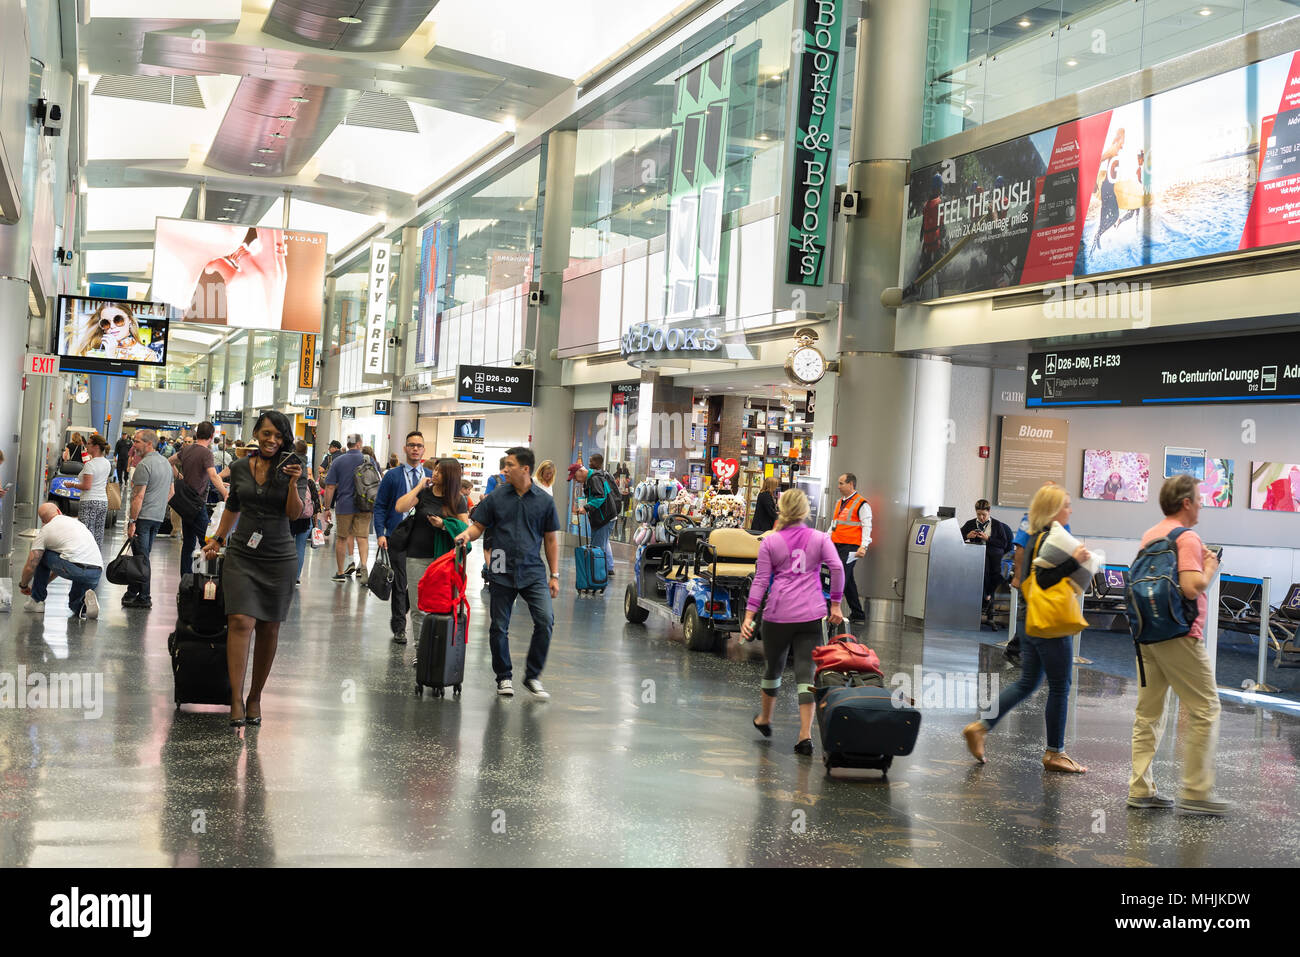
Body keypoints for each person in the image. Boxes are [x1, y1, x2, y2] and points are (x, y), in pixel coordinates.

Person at [962, 483, 1089, 774]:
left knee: (1028, 682)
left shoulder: (1031, 532)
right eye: (1067, 505)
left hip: (1031, 617)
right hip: (1051, 622)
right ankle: (1056, 752)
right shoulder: (1053, 537)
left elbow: (1025, 570)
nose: (1070, 510)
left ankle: (981, 727)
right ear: (1054, 510)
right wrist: (1076, 562)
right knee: (1060, 685)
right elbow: (1046, 578)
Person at [1128, 475, 1227, 815]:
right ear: (1186, 502)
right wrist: (1210, 565)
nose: (1201, 504)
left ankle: (1140, 788)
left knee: (1149, 713)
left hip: (1147, 636)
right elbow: (1190, 587)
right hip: (1179, 636)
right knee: (1205, 708)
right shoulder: (1187, 537)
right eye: (1199, 498)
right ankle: (1196, 793)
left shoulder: (1150, 535)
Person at [202, 411, 303, 728]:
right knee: (240, 620)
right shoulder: (241, 467)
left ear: (285, 440)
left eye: (278, 436)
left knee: (269, 627)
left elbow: (295, 514)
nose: (272, 440)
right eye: (266, 433)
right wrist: (218, 539)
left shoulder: (291, 469)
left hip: (279, 556)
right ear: (256, 433)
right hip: (243, 553)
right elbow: (233, 506)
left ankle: (255, 696)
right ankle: (235, 698)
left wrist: (294, 484)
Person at [741, 489, 844, 755]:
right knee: (805, 673)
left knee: (773, 669)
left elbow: (761, 581)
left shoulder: (771, 542)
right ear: (805, 510)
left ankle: (765, 718)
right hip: (811, 614)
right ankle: (804, 735)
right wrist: (835, 603)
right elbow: (837, 568)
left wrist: (750, 615)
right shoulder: (820, 538)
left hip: (778, 615)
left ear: (781, 509)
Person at [453, 447, 560, 699]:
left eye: (510, 465)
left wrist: (554, 574)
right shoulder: (497, 497)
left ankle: (532, 676)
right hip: (500, 566)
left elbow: (551, 540)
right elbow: (478, 526)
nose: (505, 470)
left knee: (545, 621)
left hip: (533, 570)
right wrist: (465, 535)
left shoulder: (544, 501)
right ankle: (504, 677)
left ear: (525, 469)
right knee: (499, 626)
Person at [393, 457, 471, 662]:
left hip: (444, 562)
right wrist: (419, 486)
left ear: (450, 476)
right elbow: (400, 507)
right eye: (434, 470)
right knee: (418, 607)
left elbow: (465, 532)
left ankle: (440, 650)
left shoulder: (457, 500)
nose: (434, 474)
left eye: (439, 471)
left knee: (442, 605)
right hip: (416, 555)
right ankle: (421, 651)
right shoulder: (425, 493)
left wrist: (444, 525)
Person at [375, 431, 433, 645]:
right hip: (396, 536)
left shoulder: (430, 475)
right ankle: (400, 627)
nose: (415, 448)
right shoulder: (392, 476)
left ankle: (401, 612)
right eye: (411, 445)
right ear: (405, 449)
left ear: (423, 450)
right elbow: (380, 506)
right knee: (400, 583)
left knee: (416, 583)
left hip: (420, 538)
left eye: (419, 445)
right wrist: (380, 533)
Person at [1007, 482, 1071, 664]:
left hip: (1050, 581)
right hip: (1033, 578)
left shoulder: (1061, 521)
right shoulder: (1030, 518)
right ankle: (1015, 648)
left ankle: (1022, 650)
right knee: (1028, 615)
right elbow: (1020, 547)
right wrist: (1018, 576)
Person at [19, 503, 103, 619]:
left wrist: (23, 586)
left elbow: (31, 566)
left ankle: (37, 601)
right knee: (74, 605)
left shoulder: (46, 530)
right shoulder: (78, 523)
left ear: (43, 521)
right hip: (95, 571)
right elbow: (63, 563)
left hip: (74, 567)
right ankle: (84, 606)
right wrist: (44, 582)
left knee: (40, 556)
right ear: (58, 511)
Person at [123, 429, 173, 609]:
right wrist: (158, 506)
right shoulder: (166, 464)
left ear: (149, 443)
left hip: (143, 518)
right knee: (141, 556)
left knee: (142, 558)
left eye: (137, 442)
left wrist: (132, 522)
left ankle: (145, 597)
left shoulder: (144, 466)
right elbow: (171, 492)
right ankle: (132, 592)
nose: (134, 445)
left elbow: (138, 497)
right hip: (157, 518)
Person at [171, 420, 229, 570]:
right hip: (197, 504)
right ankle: (210, 578)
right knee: (209, 543)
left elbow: (169, 462)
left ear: (197, 435)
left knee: (188, 543)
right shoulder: (206, 453)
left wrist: (179, 476)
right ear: (211, 436)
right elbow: (213, 475)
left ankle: (186, 578)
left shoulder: (187, 450)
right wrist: (224, 492)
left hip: (185, 503)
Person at [323, 434, 370, 583]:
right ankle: (363, 567)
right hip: (365, 505)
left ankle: (341, 572)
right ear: (359, 443)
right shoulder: (368, 460)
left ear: (347, 444)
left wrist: (326, 508)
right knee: (362, 538)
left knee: (342, 538)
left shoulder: (338, 461)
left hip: (344, 505)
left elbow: (329, 487)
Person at [829, 473, 872, 623]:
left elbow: (867, 526)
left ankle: (831, 610)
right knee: (848, 580)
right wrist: (826, 539)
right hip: (836, 544)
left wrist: (864, 546)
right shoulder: (839, 502)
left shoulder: (862, 504)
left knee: (840, 576)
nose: (838, 486)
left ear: (851, 484)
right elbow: (834, 524)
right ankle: (858, 614)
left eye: (841, 483)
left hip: (851, 547)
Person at [961, 499, 1013, 620]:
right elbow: (957, 536)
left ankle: (987, 596)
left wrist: (988, 538)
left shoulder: (997, 525)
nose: (981, 517)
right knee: (982, 570)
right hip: (978, 555)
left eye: (984, 514)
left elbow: (1004, 544)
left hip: (996, 555)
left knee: (1000, 573)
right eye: (978, 514)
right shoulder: (970, 524)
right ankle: (987, 598)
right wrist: (967, 536)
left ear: (989, 512)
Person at [73, 302, 157, 360]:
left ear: (130, 320)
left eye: (118, 320)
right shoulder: (92, 352)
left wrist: (110, 356)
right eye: (105, 323)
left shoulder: (146, 355)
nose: (112, 326)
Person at [289, 440, 321, 585]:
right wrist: (315, 523)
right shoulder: (310, 483)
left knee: (287, 546)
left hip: (290, 515)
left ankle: (286, 574)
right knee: (300, 547)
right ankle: (296, 577)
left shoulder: (289, 469)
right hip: (304, 517)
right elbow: (316, 505)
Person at [579, 453, 616, 576]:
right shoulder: (601, 475)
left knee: (598, 547)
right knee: (604, 543)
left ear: (596, 462)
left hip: (604, 516)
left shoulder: (595, 477)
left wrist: (587, 507)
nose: (589, 463)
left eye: (591, 461)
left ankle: (597, 575)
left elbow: (600, 497)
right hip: (608, 514)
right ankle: (608, 568)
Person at [76, 434, 113, 549]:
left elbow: (87, 486)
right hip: (102, 501)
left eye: (88, 444)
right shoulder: (107, 463)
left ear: (96, 447)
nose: (86, 446)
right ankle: (96, 560)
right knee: (98, 533)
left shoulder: (90, 465)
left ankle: (86, 560)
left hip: (89, 501)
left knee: (86, 533)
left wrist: (72, 485)